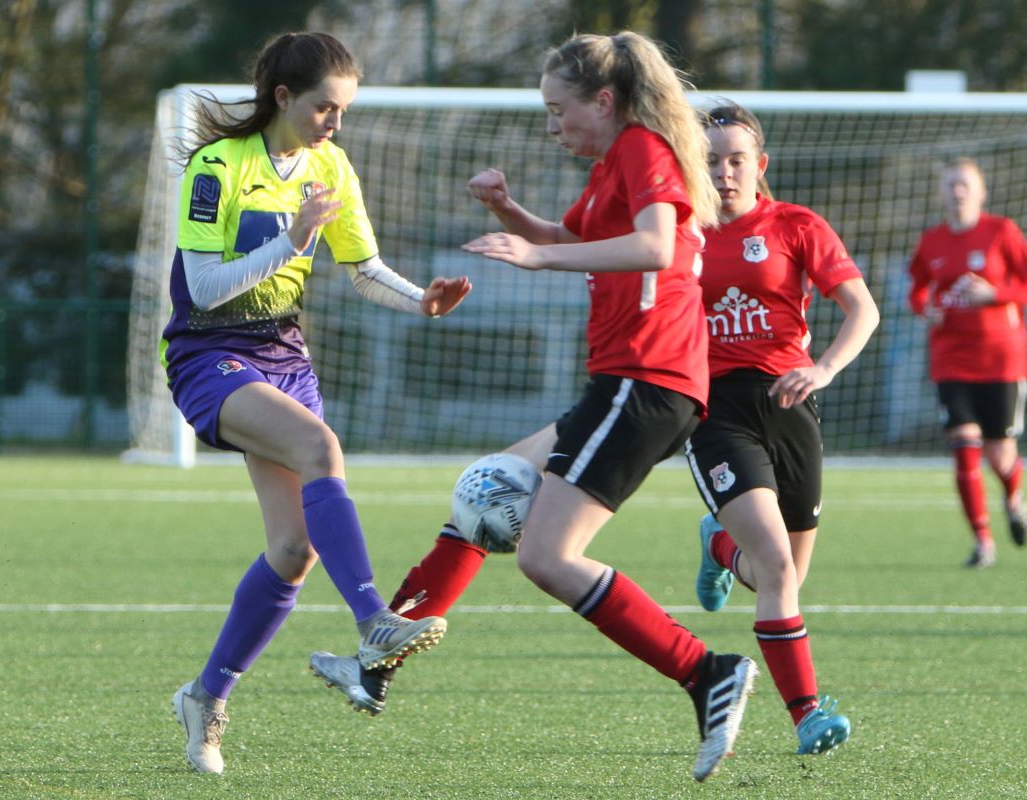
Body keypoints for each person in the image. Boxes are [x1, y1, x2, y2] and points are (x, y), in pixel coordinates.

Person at [311, 31, 757, 783]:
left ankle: (707, 673)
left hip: (646, 380)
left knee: (550, 558)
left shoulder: (646, 150)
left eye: (559, 109)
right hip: (627, 381)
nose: (552, 125)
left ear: (603, 102)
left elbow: (653, 246)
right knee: (484, 493)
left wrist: (539, 257)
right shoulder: (617, 161)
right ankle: (376, 659)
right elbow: (566, 234)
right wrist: (507, 208)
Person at [162, 32, 472, 774]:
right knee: (321, 450)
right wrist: (291, 238)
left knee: (294, 551)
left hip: (284, 356)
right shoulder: (218, 167)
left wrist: (420, 301)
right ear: (283, 98)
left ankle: (206, 697)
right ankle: (373, 621)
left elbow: (362, 269)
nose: (335, 123)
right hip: (211, 353)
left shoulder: (330, 164)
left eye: (343, 110)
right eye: (324, 108)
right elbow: (204, 288)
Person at [683, 103, 879, 755]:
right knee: (774, 568)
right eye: (710, 159)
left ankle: (718, 545)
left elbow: (861, 310)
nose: (724, 170)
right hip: (716, 411)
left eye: (736, 159)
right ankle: (807, 715)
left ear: (759, 164)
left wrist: (822, 369)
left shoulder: (796, 225)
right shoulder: (677, 234)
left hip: (793, 404)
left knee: (787, 577)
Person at [908, 157, 1027, 568]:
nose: (958, 191)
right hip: (951, 361)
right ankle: (983, 541)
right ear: (942, 193)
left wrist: (994, 293)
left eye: (965, 184)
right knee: (965, 448)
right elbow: (917, 289)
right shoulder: (931, 241)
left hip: (1002, 361)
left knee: (1000, 455)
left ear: (981, 192)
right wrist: (925, 307)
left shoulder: (1002, 232)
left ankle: (1014, 498)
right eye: (951, 184)